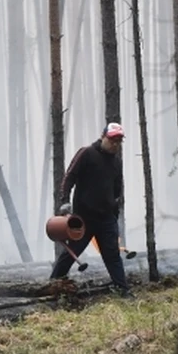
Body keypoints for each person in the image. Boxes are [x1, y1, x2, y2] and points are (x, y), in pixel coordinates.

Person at [50, 122, 135, 298]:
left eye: (119, 141)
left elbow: (117, 188)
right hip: (84, 218)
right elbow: (69, 178)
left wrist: (115, 211)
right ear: (103, 137)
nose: (115, 144)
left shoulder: (116, 162)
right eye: (112, 140)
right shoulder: (86, 153)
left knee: (112, 255)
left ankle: (123, 291)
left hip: (106, 219)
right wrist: (65, 201)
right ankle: (52, 285)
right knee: (71, 253)